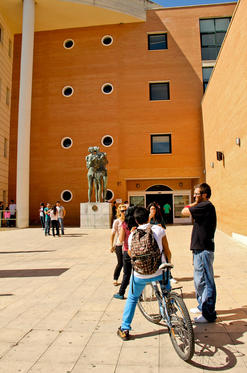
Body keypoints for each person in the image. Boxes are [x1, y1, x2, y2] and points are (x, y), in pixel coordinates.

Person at [117, 207, 172, 340]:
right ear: (148, 217)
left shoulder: (132, 236)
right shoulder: (159, 230)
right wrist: (168, 264)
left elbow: (131, 254)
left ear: (136, 220)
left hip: (140, 274)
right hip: (159, 270)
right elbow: (167, 250)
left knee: (132, 298)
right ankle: (168, 312)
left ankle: (125, 328)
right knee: (166, 291)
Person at [181, 183, 217, 324]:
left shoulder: (205, 205)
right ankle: (201, 305)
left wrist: (194, 203)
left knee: (206, 282)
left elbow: (184, 212)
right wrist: (195, 203)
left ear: (204, 195)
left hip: (203, 249)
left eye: (197, 194)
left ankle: (208, 314)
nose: (194, 196)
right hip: (199, 248)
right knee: (199, 280)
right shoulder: (201, 206)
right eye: (194, 193)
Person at [113, 206, 138, 300]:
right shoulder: (138, 223)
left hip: (127, 251)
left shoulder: (125, 224)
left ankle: (121, 293)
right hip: (138, 251)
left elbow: (121, 239)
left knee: (126, 274)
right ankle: (138, 294)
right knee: (137, 273)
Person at [110, 204, 126, 286]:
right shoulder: (117, 221)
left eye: (125, 210)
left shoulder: (128, 220)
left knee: (127, 263)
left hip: (127, 245)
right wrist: (111, 245)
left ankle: (126, 279)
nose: (124, 212)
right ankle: (115, 278)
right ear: (119, 212)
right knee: (120, 263)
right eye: (122, 211)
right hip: (119, 245)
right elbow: (112, 234)